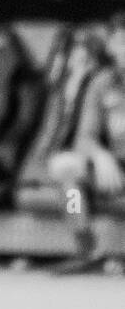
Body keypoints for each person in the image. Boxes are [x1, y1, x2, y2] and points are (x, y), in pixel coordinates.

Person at [50, 15, 125, 273]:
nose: (121, 49)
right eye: (118, 42)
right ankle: (87, 249)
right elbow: (84, 136)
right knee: (64, 169)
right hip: (117, 170)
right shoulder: (103, 82)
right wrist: (100, 155)